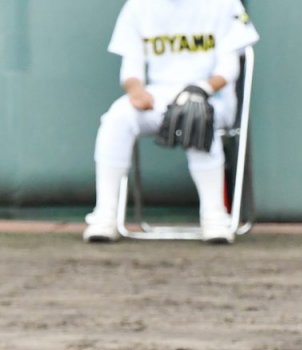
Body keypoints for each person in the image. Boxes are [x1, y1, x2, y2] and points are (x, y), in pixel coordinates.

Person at [83, 0, 259, 243]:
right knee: (117, 117)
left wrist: (201, 89)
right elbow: (131, 68)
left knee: (196, 117)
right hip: (159, 96)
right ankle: (105, 216)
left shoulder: (224, 4)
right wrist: (136, 91)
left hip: (211, 96)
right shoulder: (138, 6)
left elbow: (229, 68)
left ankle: (215, 217)